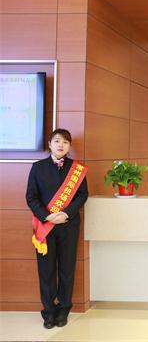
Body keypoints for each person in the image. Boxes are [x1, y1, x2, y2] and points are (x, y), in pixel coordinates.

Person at [26, 129, 89, 329]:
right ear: (50, 144)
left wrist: (66, 213)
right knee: (46, 270)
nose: (61, 145)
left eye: (65, 142)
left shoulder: (77, 169)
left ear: (69, 146)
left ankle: (63, 309)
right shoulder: (38, 168)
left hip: (68, 226)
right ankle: (48, 311)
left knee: (66, 269)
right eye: (57, 141)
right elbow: (31, 197)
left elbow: (82, 195)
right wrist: (46, 216)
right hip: (45, 227)